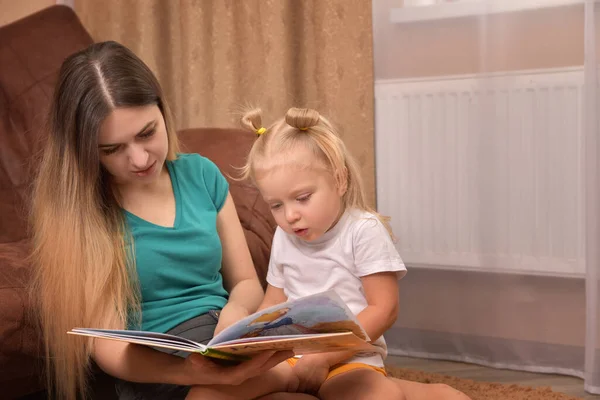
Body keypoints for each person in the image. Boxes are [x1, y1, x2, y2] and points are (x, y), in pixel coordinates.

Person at [29, 41, 317, 400]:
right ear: (86, 151)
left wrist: (236, 313)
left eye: (147, 133)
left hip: (220, 342)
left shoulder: (200, 174)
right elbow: (108, 348)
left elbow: (244, 281)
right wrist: (189, 371)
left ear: (163, 110)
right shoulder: (82, 213)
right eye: (112, 149)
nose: (138, 159)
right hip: (157, 368)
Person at [187, 108, 472, 400]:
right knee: (205, 394)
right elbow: (274, 301)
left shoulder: (363, 230)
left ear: (339, 180)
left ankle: (428, 393)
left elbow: (384, 309)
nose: (290, 216)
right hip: (288, 358)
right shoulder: (285, 236)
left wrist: (323, 359)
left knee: (377, 396)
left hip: (348, 359)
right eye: (276, 205)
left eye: (302, 198)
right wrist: (242, 344)